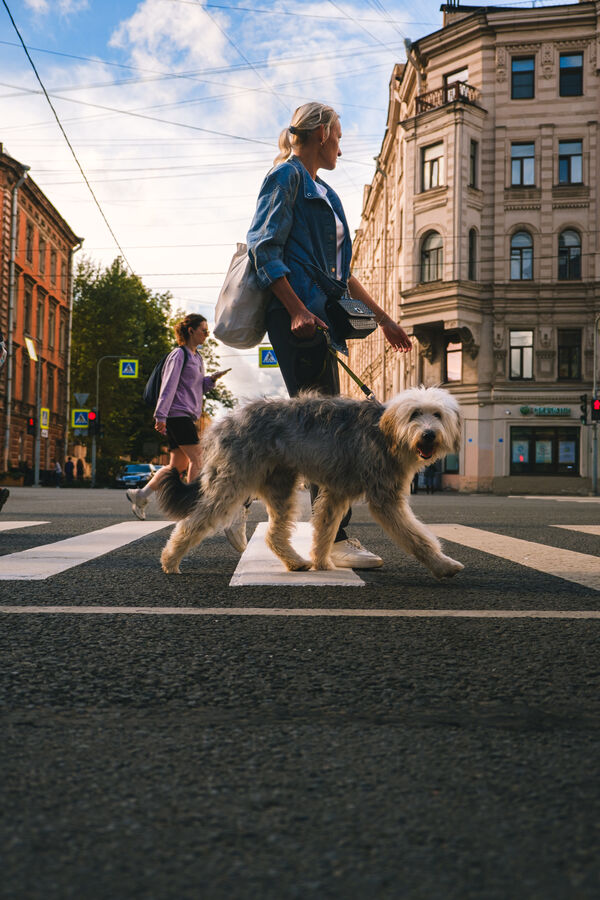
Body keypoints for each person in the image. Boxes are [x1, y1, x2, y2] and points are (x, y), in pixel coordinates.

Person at [246, 102, 412, 569]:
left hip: (321, 318)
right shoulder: (287, 178)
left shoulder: (328, 192)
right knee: (325, 428)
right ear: (322, 134)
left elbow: (343, 275)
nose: (341, 144)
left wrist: (384, 319)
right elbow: (263, 246)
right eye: (338, 135)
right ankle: (334, 537)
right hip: (298, 319)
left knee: (325, 422)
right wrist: (296, 309)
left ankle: (329, 533)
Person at [126, 314, 233, 529]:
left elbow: (196, 387)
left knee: (177, 465)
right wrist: (161, 415)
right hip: (177, 414)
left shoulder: (197, 358)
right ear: (190, 330)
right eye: (203, 329)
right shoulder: (178, 355)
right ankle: (192, 507)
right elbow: (169, 385)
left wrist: (210, 380)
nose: (206, 334)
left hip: (187, 415)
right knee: (198, 458)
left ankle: (140, 495)